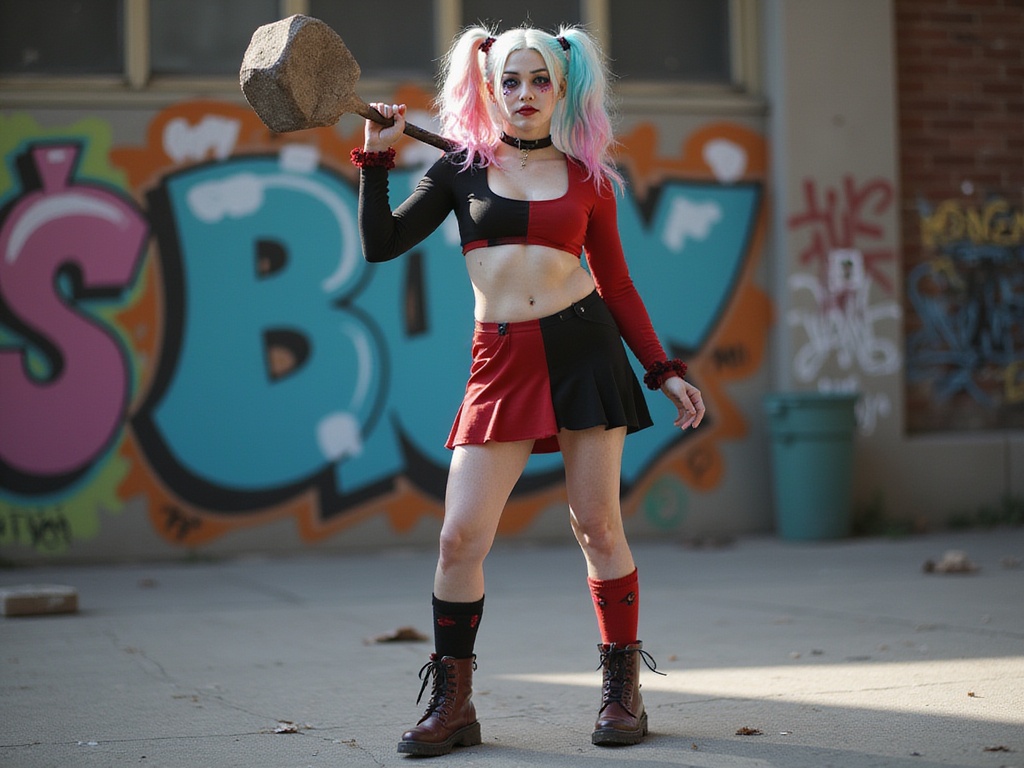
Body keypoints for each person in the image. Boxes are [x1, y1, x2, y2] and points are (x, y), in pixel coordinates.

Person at [352, 22, 705, 757]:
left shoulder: (588, 178)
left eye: (539, 79)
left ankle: (622, 696)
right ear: (489, 88)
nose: (524, 94)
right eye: (509, 81)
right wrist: (377, 162)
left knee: (597, 525)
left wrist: (663, 371)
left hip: (584, 351)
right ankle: (454, 706)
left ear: (563, 87)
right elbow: (381, 244)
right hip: (501, 360)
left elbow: (618, 284)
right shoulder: (460, 171)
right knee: (459, 537)